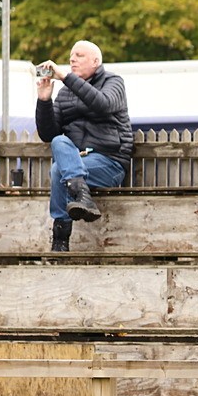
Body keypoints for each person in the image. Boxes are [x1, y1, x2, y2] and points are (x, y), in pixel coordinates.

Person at [36, 40, 133, 252]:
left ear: (96, 61)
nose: (72, 59)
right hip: (78, 162)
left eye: (79, 55)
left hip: (110, 162)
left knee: (57, 170)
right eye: (71, 56)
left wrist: (65, 78)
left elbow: (103, 104)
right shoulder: (64, 94)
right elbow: (48, 134)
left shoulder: (113, 82)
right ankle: (82, 195)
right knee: (59, 141)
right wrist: (44, 100)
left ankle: (60, 241)